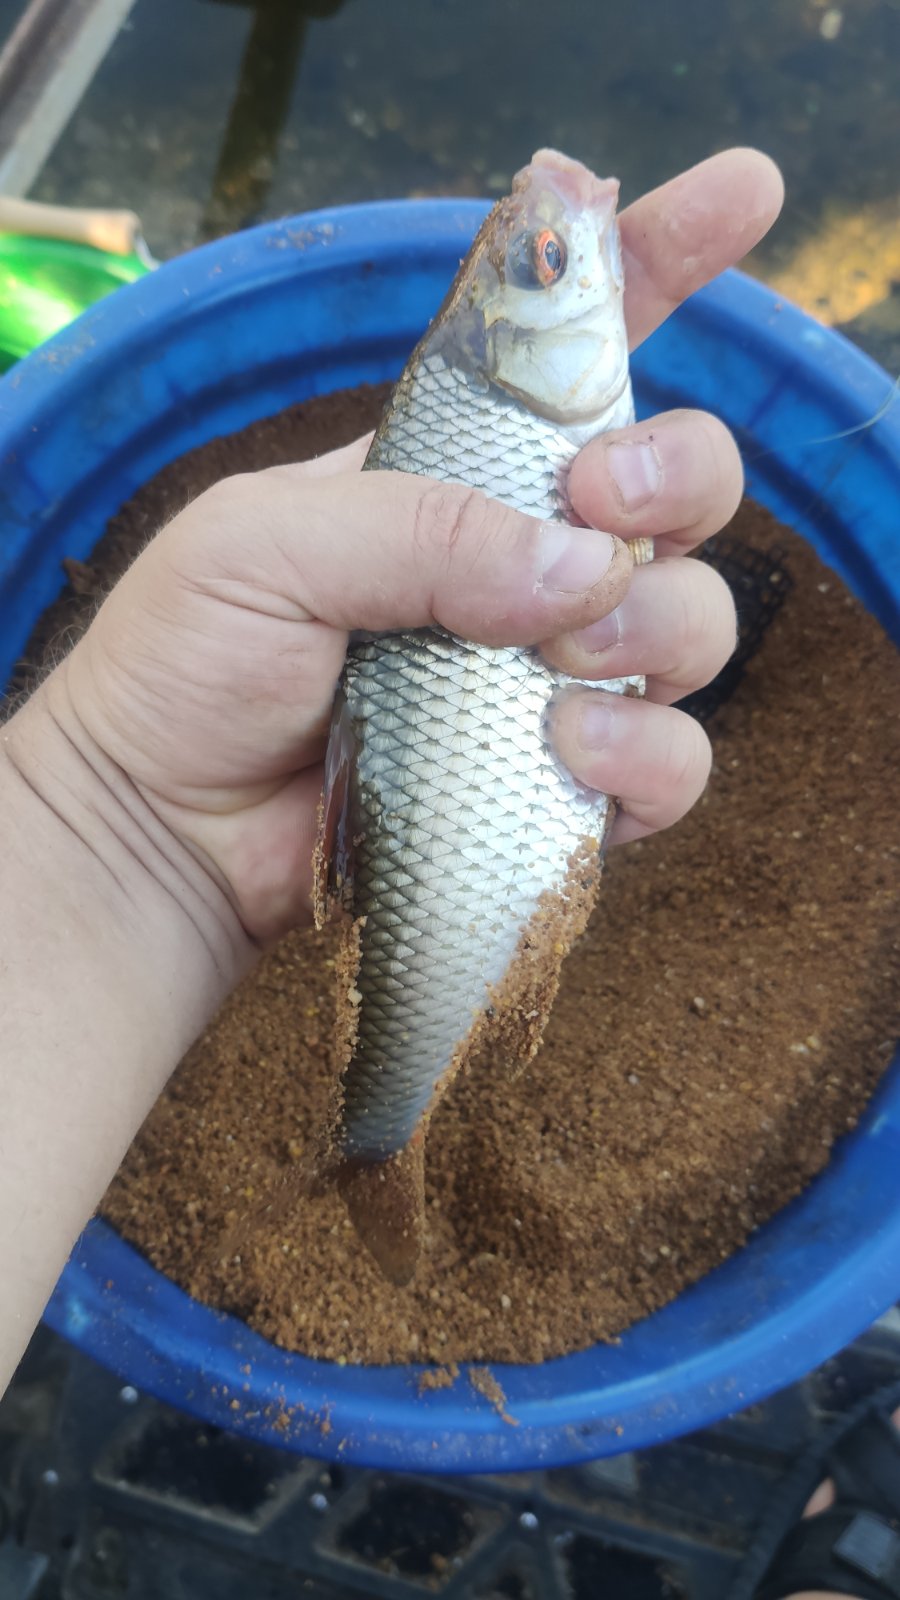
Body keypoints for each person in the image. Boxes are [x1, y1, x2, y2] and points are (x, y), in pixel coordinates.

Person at [0, 149, 893, 1600]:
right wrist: (116, 815)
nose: (565, 247)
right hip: (437, 785)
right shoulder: (498, 429)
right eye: (545, 267)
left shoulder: (505, 422)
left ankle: (383, 1127)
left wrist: (115, 823)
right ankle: (385, 1134)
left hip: (410, 796)